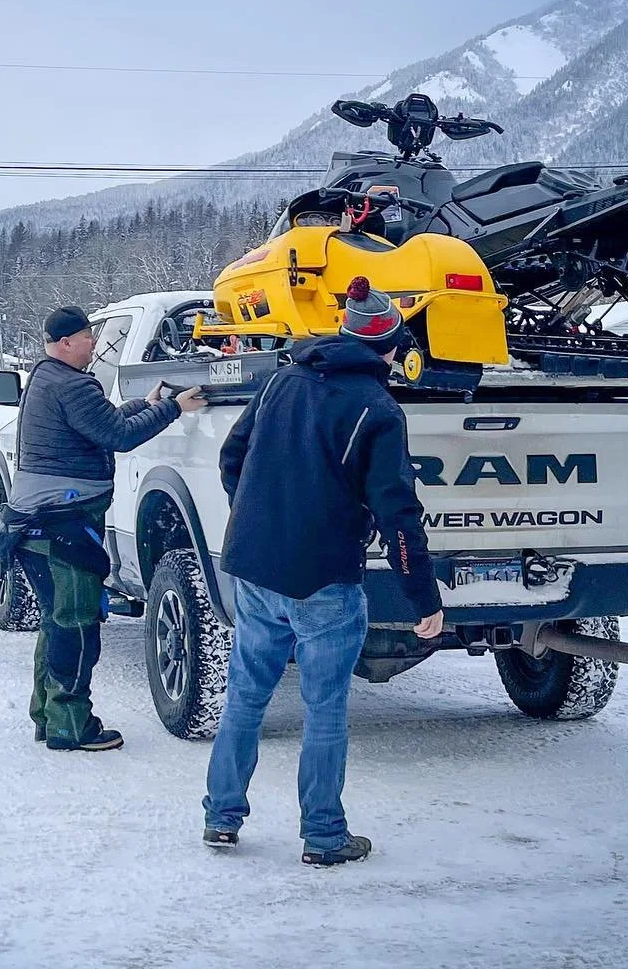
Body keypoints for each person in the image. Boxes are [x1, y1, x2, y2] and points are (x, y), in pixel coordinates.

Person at [201, 276, 444, 866]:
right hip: (324, 581)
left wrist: (265, 519)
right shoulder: (377, 409)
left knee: (246, 697)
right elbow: (397, 512)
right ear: (389, 347)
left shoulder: (284, 377)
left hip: (256, 571)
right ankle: (324, 836)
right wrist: (424, 599)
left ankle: (220, 818)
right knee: (325, 706)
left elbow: (233, 458)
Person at [0, 305, 206, 752]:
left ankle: (48, 716)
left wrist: (145, 405)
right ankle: (71, 727)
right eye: (88, 336)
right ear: (65, 342)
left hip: (40, 523)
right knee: (75, 626)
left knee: (57, 623)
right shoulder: (71, 384)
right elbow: (119, 437)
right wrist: (173, 407)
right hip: (61, 526)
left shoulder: (48, 378)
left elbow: (101, 422)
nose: (95, 343)